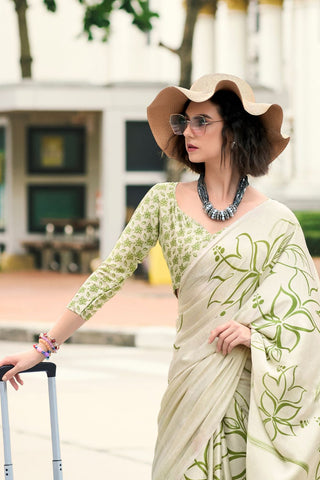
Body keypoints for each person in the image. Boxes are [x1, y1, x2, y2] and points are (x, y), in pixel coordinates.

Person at [1, 73, 320, 479]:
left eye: (202, 121)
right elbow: (109, 276)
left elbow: (306, 315)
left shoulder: (277, 221)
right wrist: (42, 348)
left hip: (247, 386)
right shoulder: (162, 202)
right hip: (190, 382)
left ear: (236, 131)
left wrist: (258, 337)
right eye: (183, 122)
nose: (188, 131)